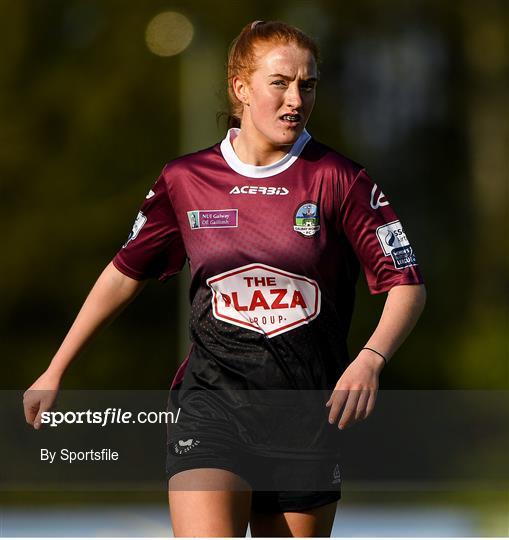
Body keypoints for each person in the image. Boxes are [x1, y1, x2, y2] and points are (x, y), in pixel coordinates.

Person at [23, 20, 426, 537]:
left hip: (306, 416)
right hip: (211, 408)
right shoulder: (186, 179)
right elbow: (125, 273)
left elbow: (406, 283)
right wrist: (56, 369)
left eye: (308, 84)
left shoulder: (340, 179)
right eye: (279, 82)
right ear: (241, 88)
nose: (296, 98)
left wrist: (371, 360)